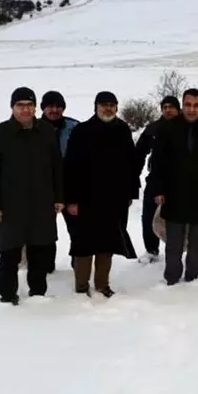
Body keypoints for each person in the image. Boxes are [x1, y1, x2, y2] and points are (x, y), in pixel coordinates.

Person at [0, 86, 65, 304]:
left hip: (42, 202)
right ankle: (8, 295)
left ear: (35, 107)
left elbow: (57, 166)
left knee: (39, 249)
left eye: (29, 105)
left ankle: (38, 294)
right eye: (20, 105)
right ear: (12, 107)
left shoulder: (46, 131)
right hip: (11, 205)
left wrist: (59, 197)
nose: (25, 110)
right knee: (10, 251)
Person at [63, 91, 139, 297]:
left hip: (113, 200)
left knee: (107, 243)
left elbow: (131, 164)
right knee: (84, 245)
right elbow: (70, 167)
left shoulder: (122, 130)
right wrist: (71, 199)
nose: (108, 108)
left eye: (112, 105)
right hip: (86, 198)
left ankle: (102, 284)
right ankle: (81, 285)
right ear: (95, 107)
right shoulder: (82, 131)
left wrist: (131, 192)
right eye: (104, 105)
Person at [150, 88, 198, 286]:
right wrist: (158, 189)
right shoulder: (168, 128)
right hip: (174, 193)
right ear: (182, 106)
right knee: (174, 241)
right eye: (188, 105)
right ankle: (172, 277)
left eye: (196, 105)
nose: (191, 110)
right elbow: (157, 161)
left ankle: (193, 276)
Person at [37, 90, 81, 274]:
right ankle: (45, 266)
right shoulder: (33, 128)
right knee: (44, 232)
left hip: (70, 186)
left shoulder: (75, 127)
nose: (54, 110)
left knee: (78, 229)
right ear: (43, 108)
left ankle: (78, 263)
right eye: (50, 106)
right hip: (44, 188)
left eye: (58, 106)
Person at [135, 95, 181, 263]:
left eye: (172, 107)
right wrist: (134, 177)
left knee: (181, 219)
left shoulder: (186, 127)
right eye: (165, 107)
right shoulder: (153, 129)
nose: (168, 110)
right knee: (148, 216)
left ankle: (184, 249)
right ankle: (151, 249)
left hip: (180, 181)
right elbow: (139, 154)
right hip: (155, 179)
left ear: (178, 109)